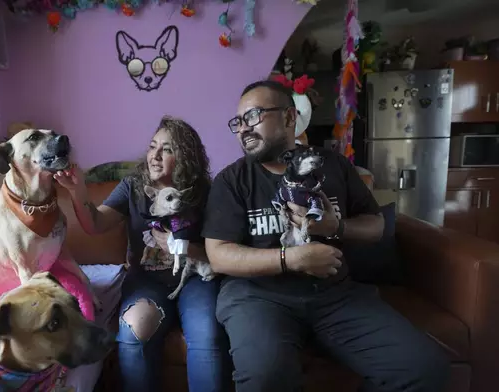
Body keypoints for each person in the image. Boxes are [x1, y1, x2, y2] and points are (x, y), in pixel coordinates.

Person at [202, 80, 449, 392]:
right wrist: (290, 259)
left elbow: (376, 226)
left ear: (290, 118)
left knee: (425, 369)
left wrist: (337, 227)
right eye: (238, 122)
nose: (243, 129)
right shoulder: (232, 180)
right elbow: (219, 253)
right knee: (266, 378)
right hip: (258, 298)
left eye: (254, 116)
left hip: (335, 296)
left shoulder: (332, 166)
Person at [54, 116, 228, 392]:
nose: (155, 156)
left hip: (196, 279)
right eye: (152, 146)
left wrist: (178, 245)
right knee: (134, 328)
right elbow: (95, 224)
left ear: (186, 158)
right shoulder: (133, 186)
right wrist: (77, 192)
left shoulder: (205, 192)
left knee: (206, 333)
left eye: (167, 149)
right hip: (147, 281)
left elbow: (219, 253)